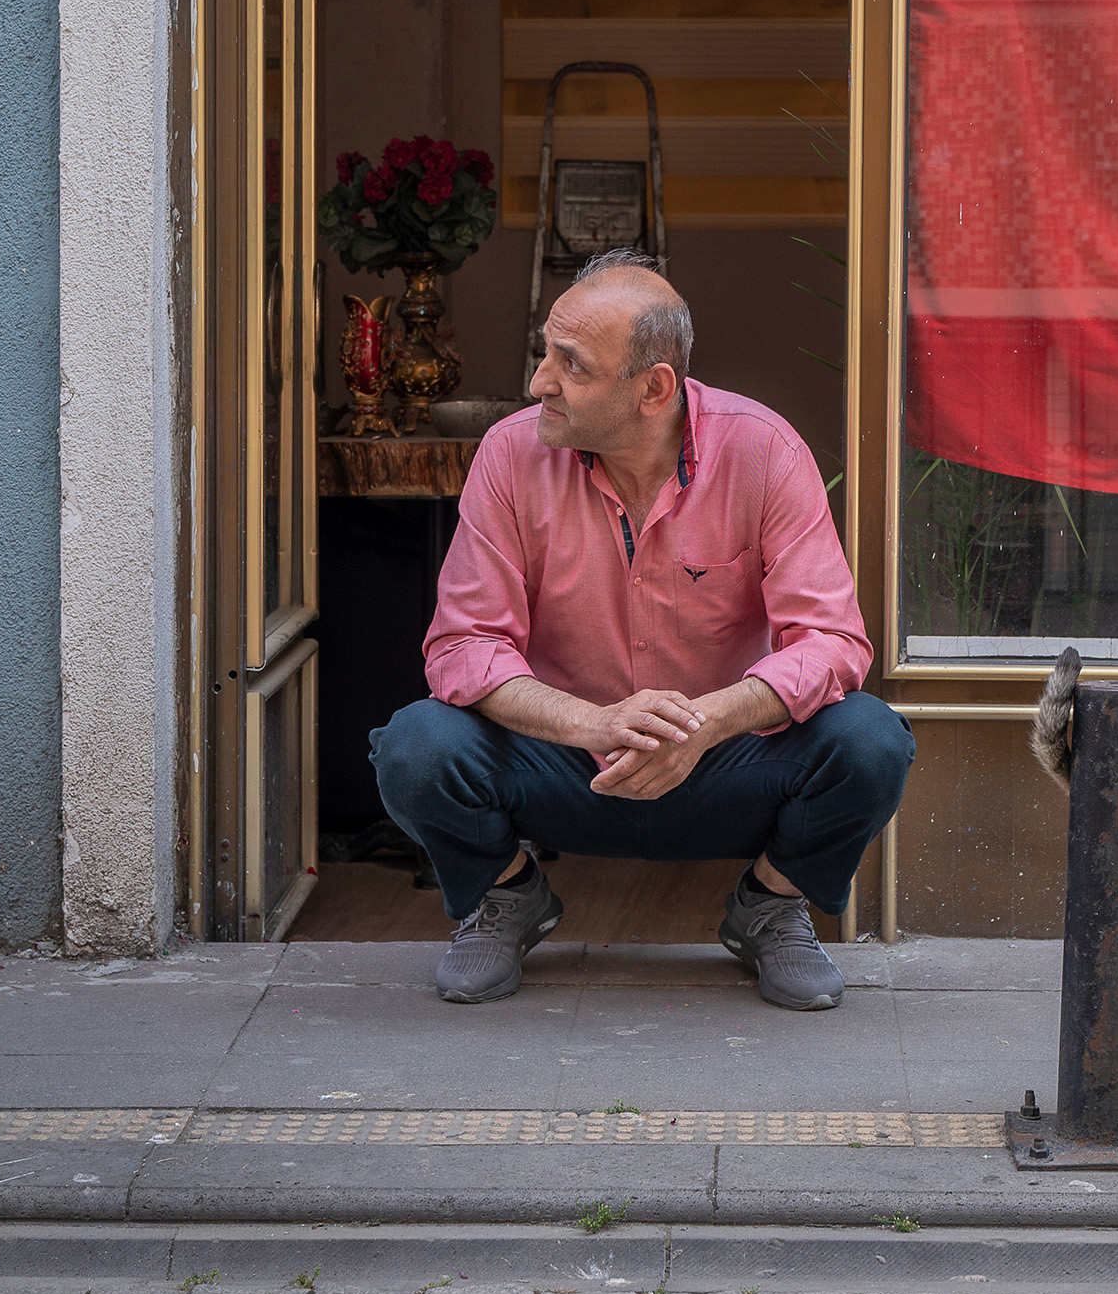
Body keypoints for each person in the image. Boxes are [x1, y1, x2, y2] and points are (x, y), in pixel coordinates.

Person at [370, 248, 913, 1010]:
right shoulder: (509, 454)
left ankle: (773, 905)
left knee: (872, 739)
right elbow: (462, 645)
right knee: (414, 745)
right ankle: (506, 896)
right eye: (544, 354)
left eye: (571, 365)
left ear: (653, 388)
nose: (538, 383)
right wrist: (593, 719)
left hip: (724, 763)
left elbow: (835, 642)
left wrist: (708, 719)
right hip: (567, 763)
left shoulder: (764, 451)